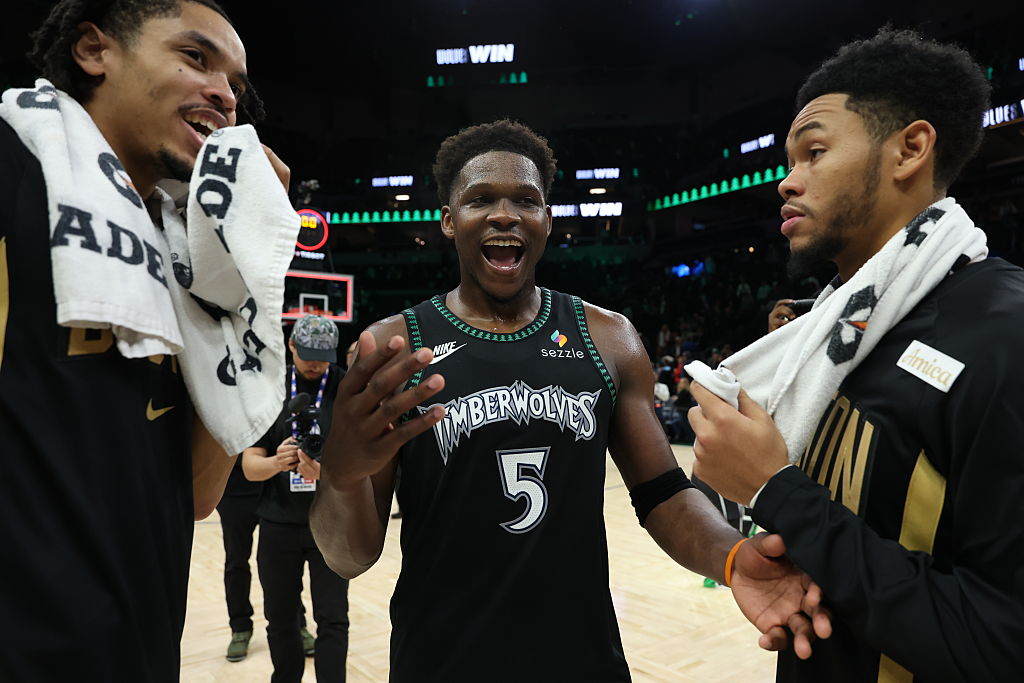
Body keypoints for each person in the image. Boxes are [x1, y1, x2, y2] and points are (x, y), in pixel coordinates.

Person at [310, 120, 829, 682]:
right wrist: (339, 476)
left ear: (546, 222)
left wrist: (731, 556)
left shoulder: (608, 338)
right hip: (440, 660)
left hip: (583, 660)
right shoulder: (396, 346)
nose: (504, 214)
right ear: (448, 220)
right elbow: (349, 557)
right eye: (480, 199)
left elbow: (664, 495)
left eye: (525, 201)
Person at [687, 28, 1024, 682]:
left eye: (814, 151)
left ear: (911, 149)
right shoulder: (832, 326)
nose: (787, 181)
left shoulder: (1005, 331)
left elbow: (1003, 639)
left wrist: (774, 488)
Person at [0, 1, 290, 679]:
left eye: (237, 86)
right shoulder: (15, 170)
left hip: (143, 649)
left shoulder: (185, 248)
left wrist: (244, 270)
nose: (224, 92)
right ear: (95, 51)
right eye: (196, 58)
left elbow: (196, 492)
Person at [243, 314, 349, 682]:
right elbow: (248, 465)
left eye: (323, 355)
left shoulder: (346, 388)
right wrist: (275, 462)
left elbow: (364, 464)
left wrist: (328, 474)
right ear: (291, 346)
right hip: (278, 523)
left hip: (330, 522)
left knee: (333, 618)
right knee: (280, 617)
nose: (316, 363)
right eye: (307, 354)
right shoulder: (270, 387)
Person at [217, 459, 316, 662]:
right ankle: (240, 627)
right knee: (236, 561)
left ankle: (298, 623)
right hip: (235, 490)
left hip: (276, 489)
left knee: (286, 566)